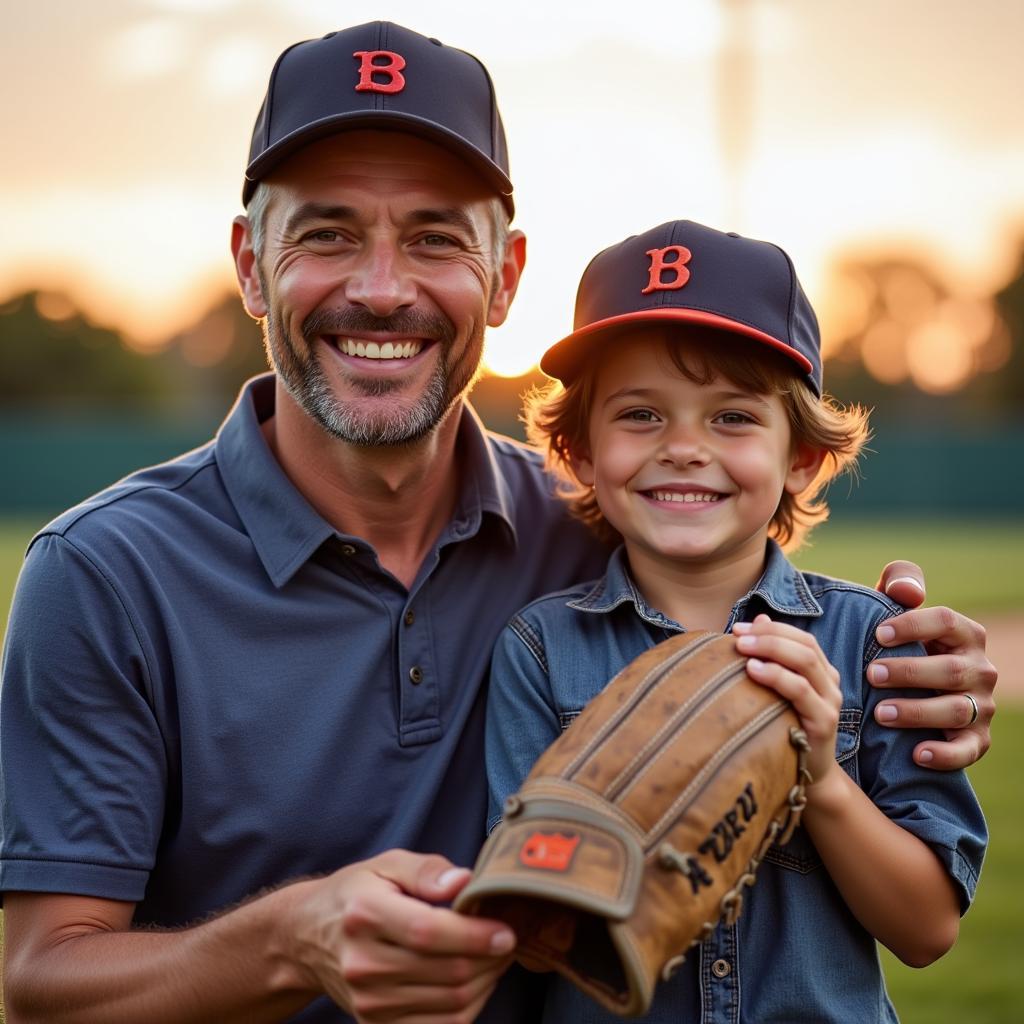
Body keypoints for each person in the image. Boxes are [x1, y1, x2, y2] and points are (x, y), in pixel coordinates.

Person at [0, 22, 995, 1024]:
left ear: (507, 275)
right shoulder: (104, 572)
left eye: (434, 237)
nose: (381, 289)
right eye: (327, 232)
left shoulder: (589, 526)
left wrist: (917, 664)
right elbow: (42, 984)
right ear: (252, 266)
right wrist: (288, 938)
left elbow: (748, 564)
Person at [484, 219, 988, 1023]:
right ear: (578, 449)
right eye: (641, 414)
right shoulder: (542, 650)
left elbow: (926, 929)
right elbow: (524, 919)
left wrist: (818, 776)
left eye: (732, 417)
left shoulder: (869, 641)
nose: (685, 447)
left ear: (801, 456)